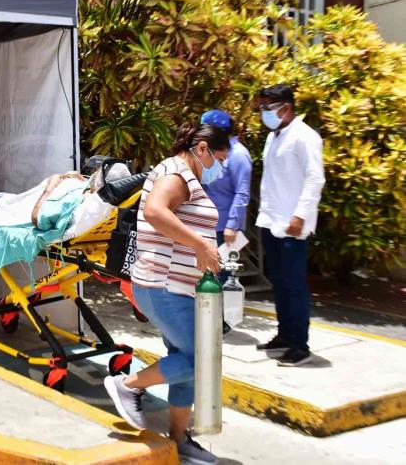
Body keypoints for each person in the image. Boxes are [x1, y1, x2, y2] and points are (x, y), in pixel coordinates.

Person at [103, 122, 228, 465]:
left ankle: (179, 438)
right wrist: (201, 244)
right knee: (200, 359)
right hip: (163, 285)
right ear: (201, 149)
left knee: (188, 360)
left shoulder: (182, 174)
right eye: (218, 158)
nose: (219, 167)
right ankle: (128, 385)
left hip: (178, 286)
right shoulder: (177, 174)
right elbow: (156, 212)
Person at [254, 84, 325, 367]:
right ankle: (284, 335)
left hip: (292, 225)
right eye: (262, 107)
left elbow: (314, 178)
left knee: (294, 285)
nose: (264, 112)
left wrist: (300, 216)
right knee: (280, 283)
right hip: (271, 221)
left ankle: (299, 345)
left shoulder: (305, 137)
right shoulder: (274, 137)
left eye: (268, 107)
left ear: (286, 107)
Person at [200, 110, 252, 334]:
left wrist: (233, 224)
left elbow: (242, 193)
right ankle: (209, 318)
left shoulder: (238, 155)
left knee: (221, 274)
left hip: (226, 227)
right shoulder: (209, 151)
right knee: (208, 273)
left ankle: (221, 322)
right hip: (209, 224)